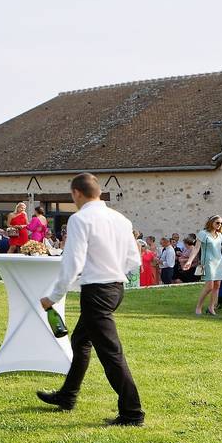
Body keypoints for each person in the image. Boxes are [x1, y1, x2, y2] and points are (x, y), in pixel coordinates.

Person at [37, 172, 145, 427]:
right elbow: (134, 260)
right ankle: (67, 396)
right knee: (80, 340)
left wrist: (52, 297)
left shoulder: (80, 219)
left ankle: (132, 413)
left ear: (76, 193)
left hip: (97, 292)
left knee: (111, 354)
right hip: (116, 288)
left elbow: (72, 262)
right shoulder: (120, 219)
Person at [183, 215, 222, 316]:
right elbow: (196, 248)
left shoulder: (220, 235)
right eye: (217, 223)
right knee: (209, 286)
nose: (219, 225)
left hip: (219, 261)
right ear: (211, 222)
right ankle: (199, 306)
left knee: (217, 285)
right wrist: (189, 261)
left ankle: (211, 308)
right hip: (208, 262)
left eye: (221, 223)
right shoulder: (203, 234)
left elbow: (220, 247)